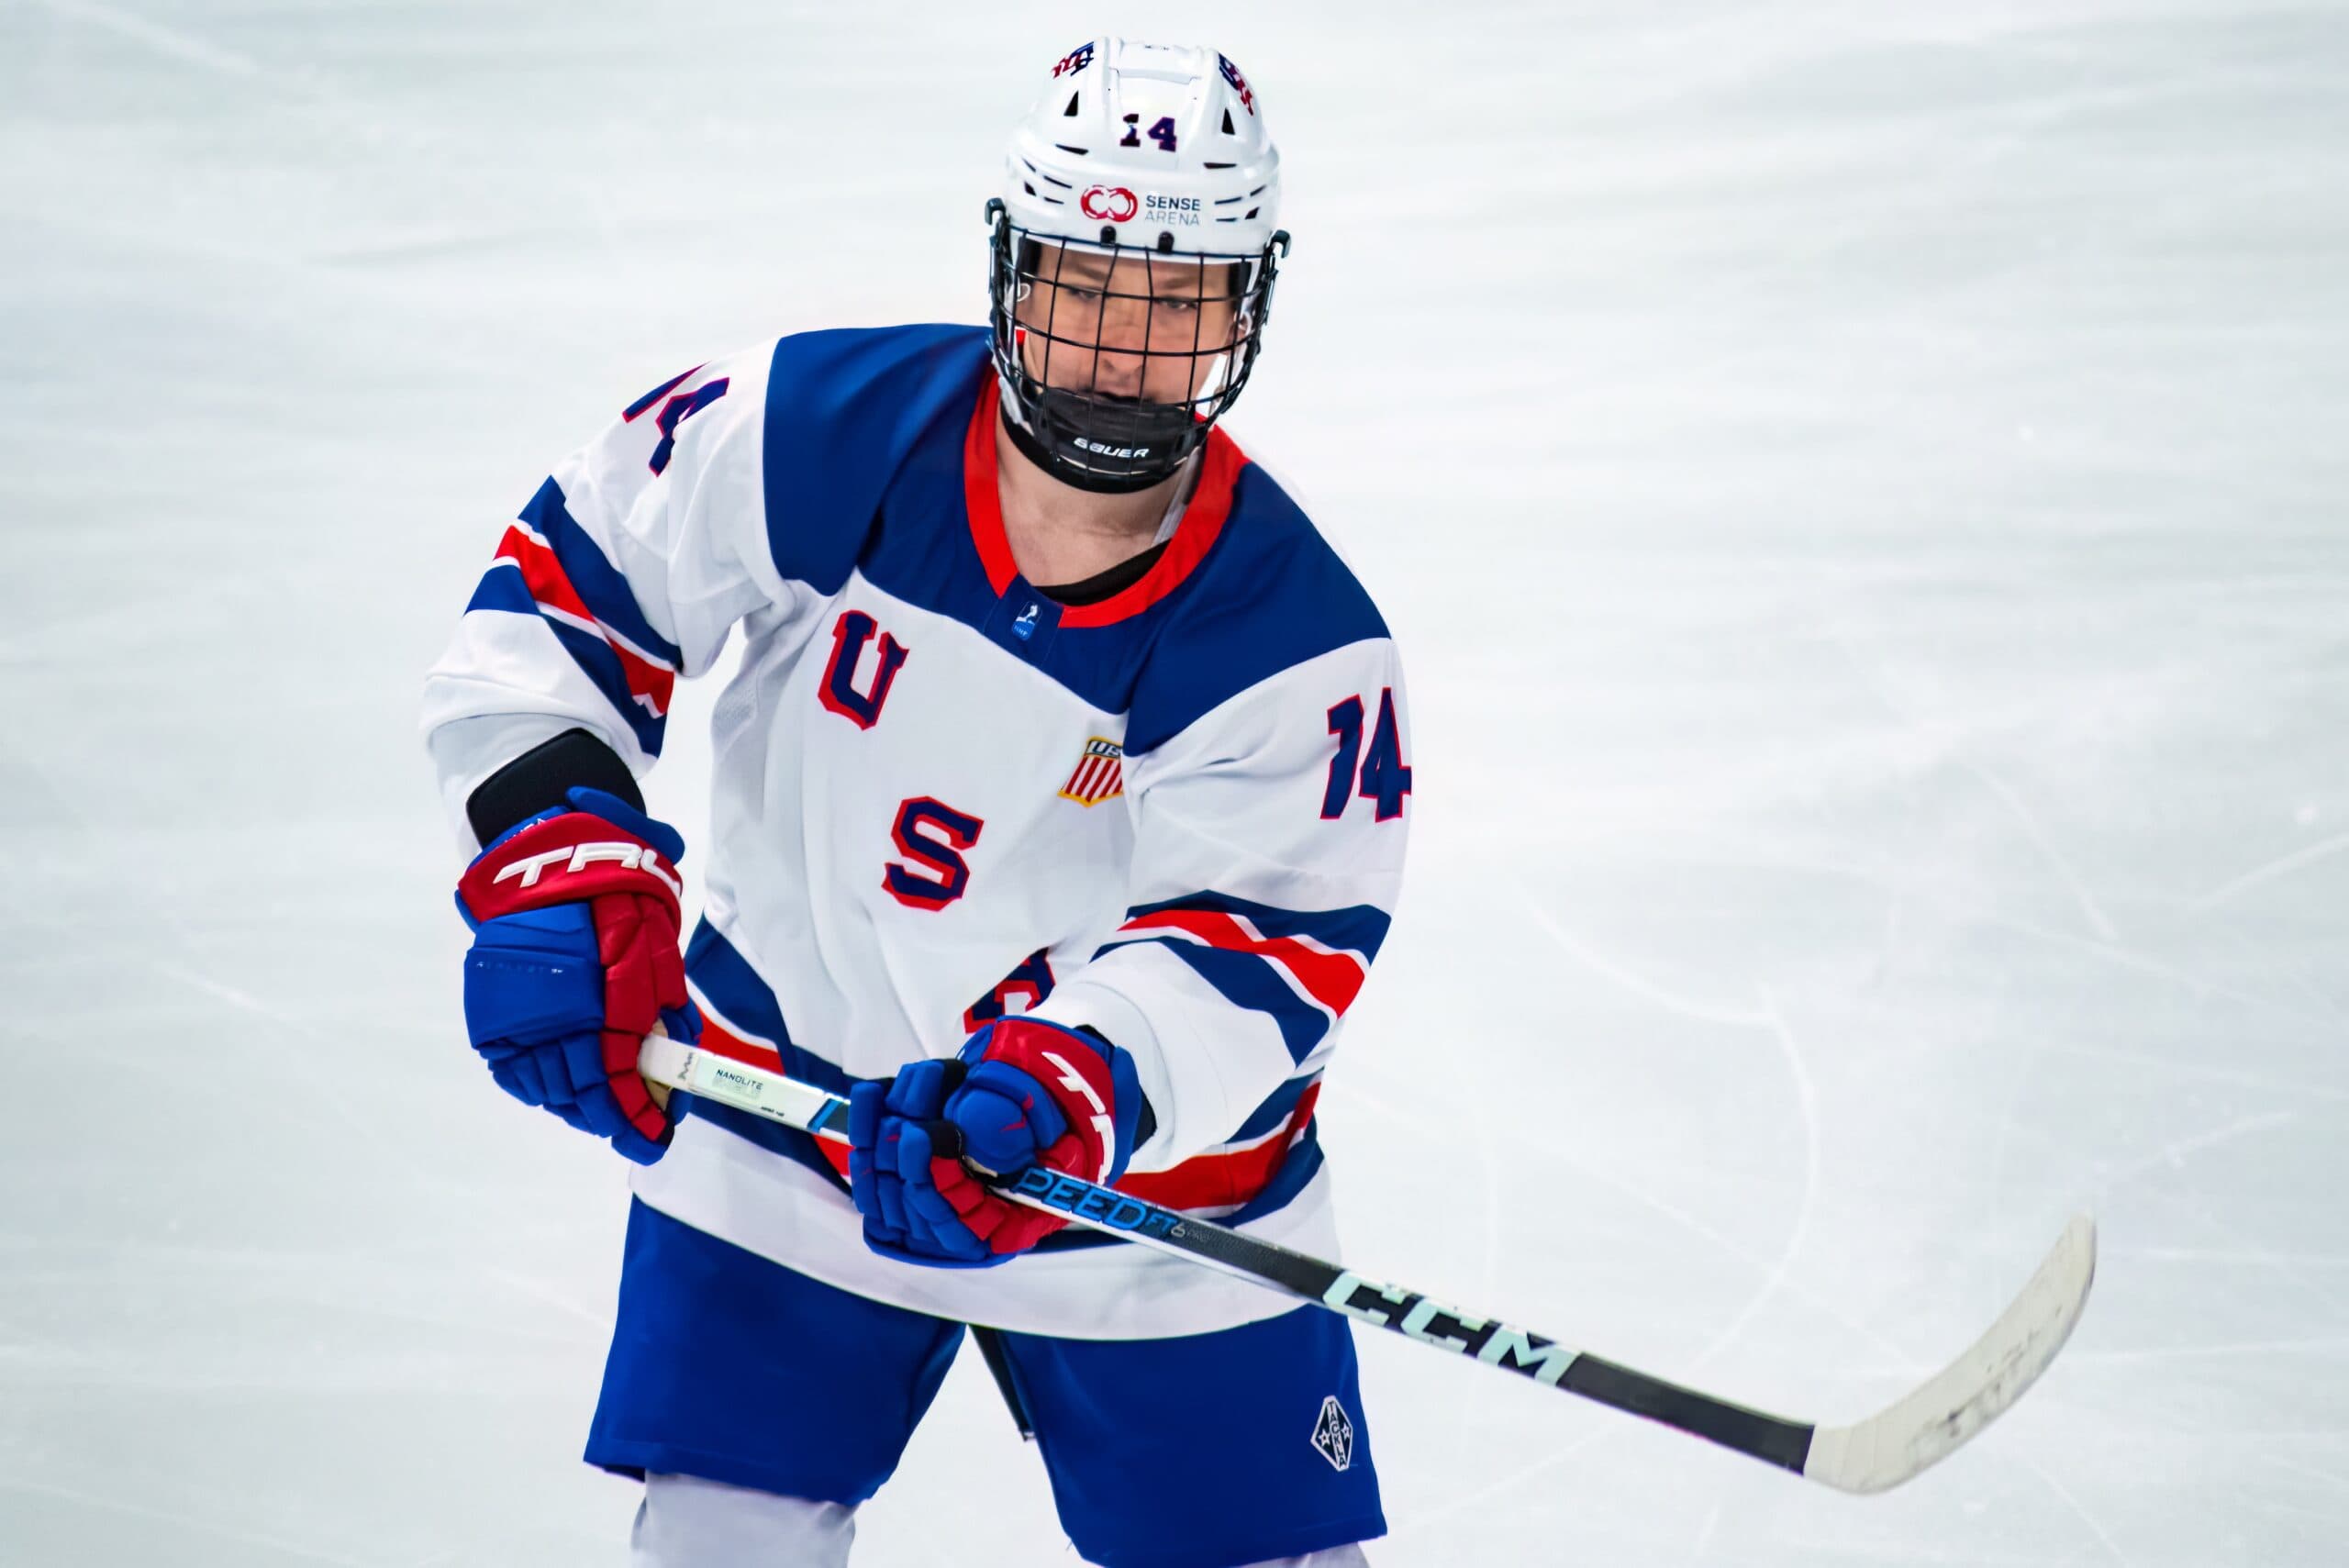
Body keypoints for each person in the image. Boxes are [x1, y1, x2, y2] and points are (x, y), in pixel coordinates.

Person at [423, 36, 1412, 1568]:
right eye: (1085, 282)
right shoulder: (818, 430)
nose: (1118, 346)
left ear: (1249, 303)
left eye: (1176, 300)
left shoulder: (1295, 642)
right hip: (784, 1126)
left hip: (1145, 1207)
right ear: (1014, 263)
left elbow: (1261, 945)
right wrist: (558, 848)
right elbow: (569, 585)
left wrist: (1076, 1087)